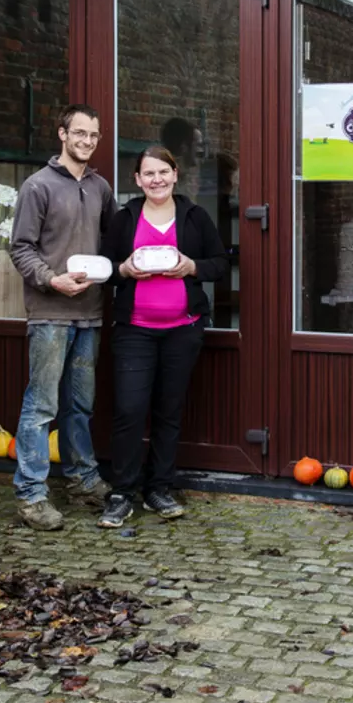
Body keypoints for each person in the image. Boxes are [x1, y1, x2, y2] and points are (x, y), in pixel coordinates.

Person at [99, 145, 228, 527]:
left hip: (182, 330)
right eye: (148, 174)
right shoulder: (125, 219)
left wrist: (191, 266)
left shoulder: (195, 216)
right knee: (129, 410)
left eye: (163, 172)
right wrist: (123, 269)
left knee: (168, 411)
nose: (156, 179)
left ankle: (159, 488)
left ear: (175, 175)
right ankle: (121, 493)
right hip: (134, 331)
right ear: (137, 180)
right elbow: (106, 266)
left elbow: (220, 264)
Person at [9, 104, 114, 530]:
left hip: (89, 314)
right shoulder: (38, 187)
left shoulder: (101, 187)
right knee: (41, 405)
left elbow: (110, 240)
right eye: (80, 133)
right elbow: (20, 248)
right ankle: (31, 495)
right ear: (62, 134)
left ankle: (83, 480)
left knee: (80, 406)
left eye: (94, 135)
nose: (87, 141)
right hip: (50, 313)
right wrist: (52, 281)